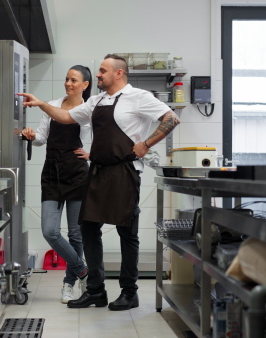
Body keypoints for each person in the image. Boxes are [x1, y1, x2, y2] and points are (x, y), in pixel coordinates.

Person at [18, 54, 181, 311]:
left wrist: (146, 144)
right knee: (88, 229)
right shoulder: (96, 101)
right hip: (98, 171)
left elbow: (171, 118)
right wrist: (40, 104)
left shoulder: (138, 97)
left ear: (118, 73)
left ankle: (130, 292)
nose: (98, 75)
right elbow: (64, 117)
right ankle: (95, 290)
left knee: (127, 234)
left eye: (103, 71)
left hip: (125, 173)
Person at [21, 65, 92, 303]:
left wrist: (91, 154)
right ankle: (82, 270)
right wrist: (32, 136)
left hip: (77, 174)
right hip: (52, 172)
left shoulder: (89, 110)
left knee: (75, 234)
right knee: (50, 231)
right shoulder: (52, 104)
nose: (68, 83)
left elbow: (104, 136)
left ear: (85, 85)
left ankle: (69, 285)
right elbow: (42, 138)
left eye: (74, 80)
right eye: (66, 79)